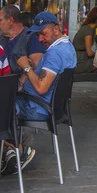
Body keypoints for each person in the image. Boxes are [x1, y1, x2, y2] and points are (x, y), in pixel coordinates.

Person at [15, 12, 77, 169]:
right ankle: (15, 148)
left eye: (43, 34)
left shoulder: (54, 53)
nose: (40, 39)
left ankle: (18, 152)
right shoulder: (68, 47)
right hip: (55, 107)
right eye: (38, 35)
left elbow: (41, 88)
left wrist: (26, 66)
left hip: (39, 108)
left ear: (56, 29)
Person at [0, 5, 45, 74]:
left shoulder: (31, 38)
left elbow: (37, 66)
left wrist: (23, 78)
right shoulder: (2, 39)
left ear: (10, 20)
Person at [73, 7, 97, 74]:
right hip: (81, 61)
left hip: (78, 59)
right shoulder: (88, 30)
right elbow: (89, 53)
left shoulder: (86, 28)